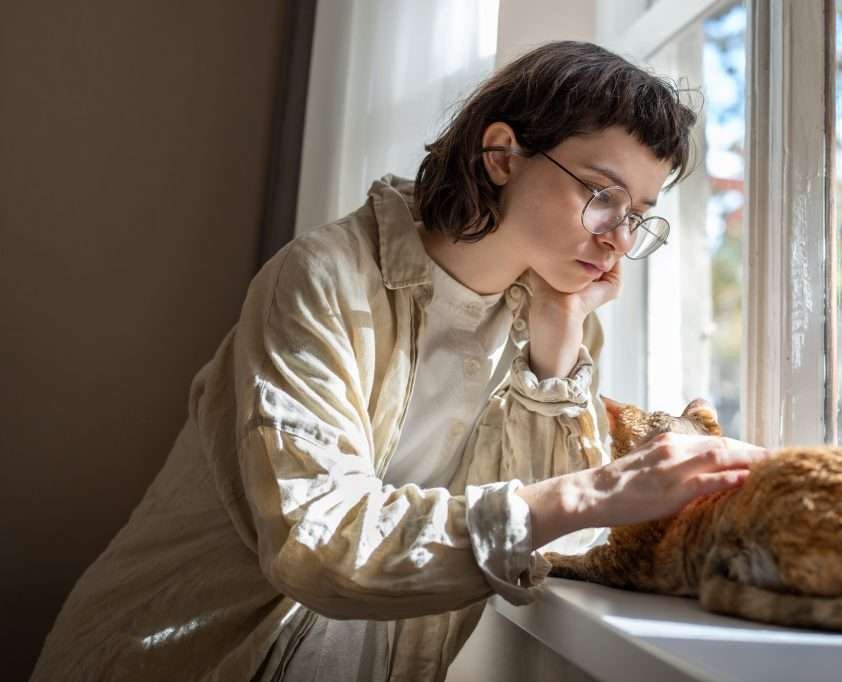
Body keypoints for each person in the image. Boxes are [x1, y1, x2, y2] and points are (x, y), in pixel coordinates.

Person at [30, 41, 767, 681]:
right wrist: (600, 488)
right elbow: (320, 545)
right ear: (503, 154)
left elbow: (551, 546)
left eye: (637, 215)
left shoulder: (559, 312)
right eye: (602, 195)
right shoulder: (324, 278)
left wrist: (560, 334)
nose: (617, 239)